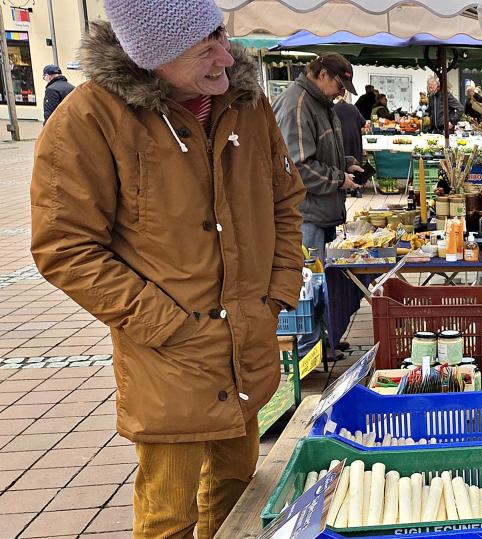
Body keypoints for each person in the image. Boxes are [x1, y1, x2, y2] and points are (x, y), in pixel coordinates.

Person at [28, 1, 306, 536]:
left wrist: (277, 293)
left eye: (221, 35)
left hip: (247, 341)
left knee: (239, 490)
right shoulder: (90, 118)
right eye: (204, 48)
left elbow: (284, 201)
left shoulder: (246, 103)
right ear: (151, 55)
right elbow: (64, 245)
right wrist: (166, 324)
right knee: (168, 516)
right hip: (168, 357)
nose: (226, 57)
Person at [273, 53, 365, 264]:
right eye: (340, 86)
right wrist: (339, 179)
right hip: (305, 216)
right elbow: (298, 167)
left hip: (319, 212)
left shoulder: (320, 103)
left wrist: (346, 164)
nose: (342, 93)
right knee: (310, 277)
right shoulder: (297, 106)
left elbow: (320, 153)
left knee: (322, 275)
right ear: (323, 75)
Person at [334, 93, 368, 199]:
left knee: (341, 162)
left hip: (340, 138)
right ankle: (357, 189)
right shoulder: (353, 108)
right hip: (354, 137)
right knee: (355, 161)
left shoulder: (333, 109)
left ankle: (345, 188)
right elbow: (363, 123)